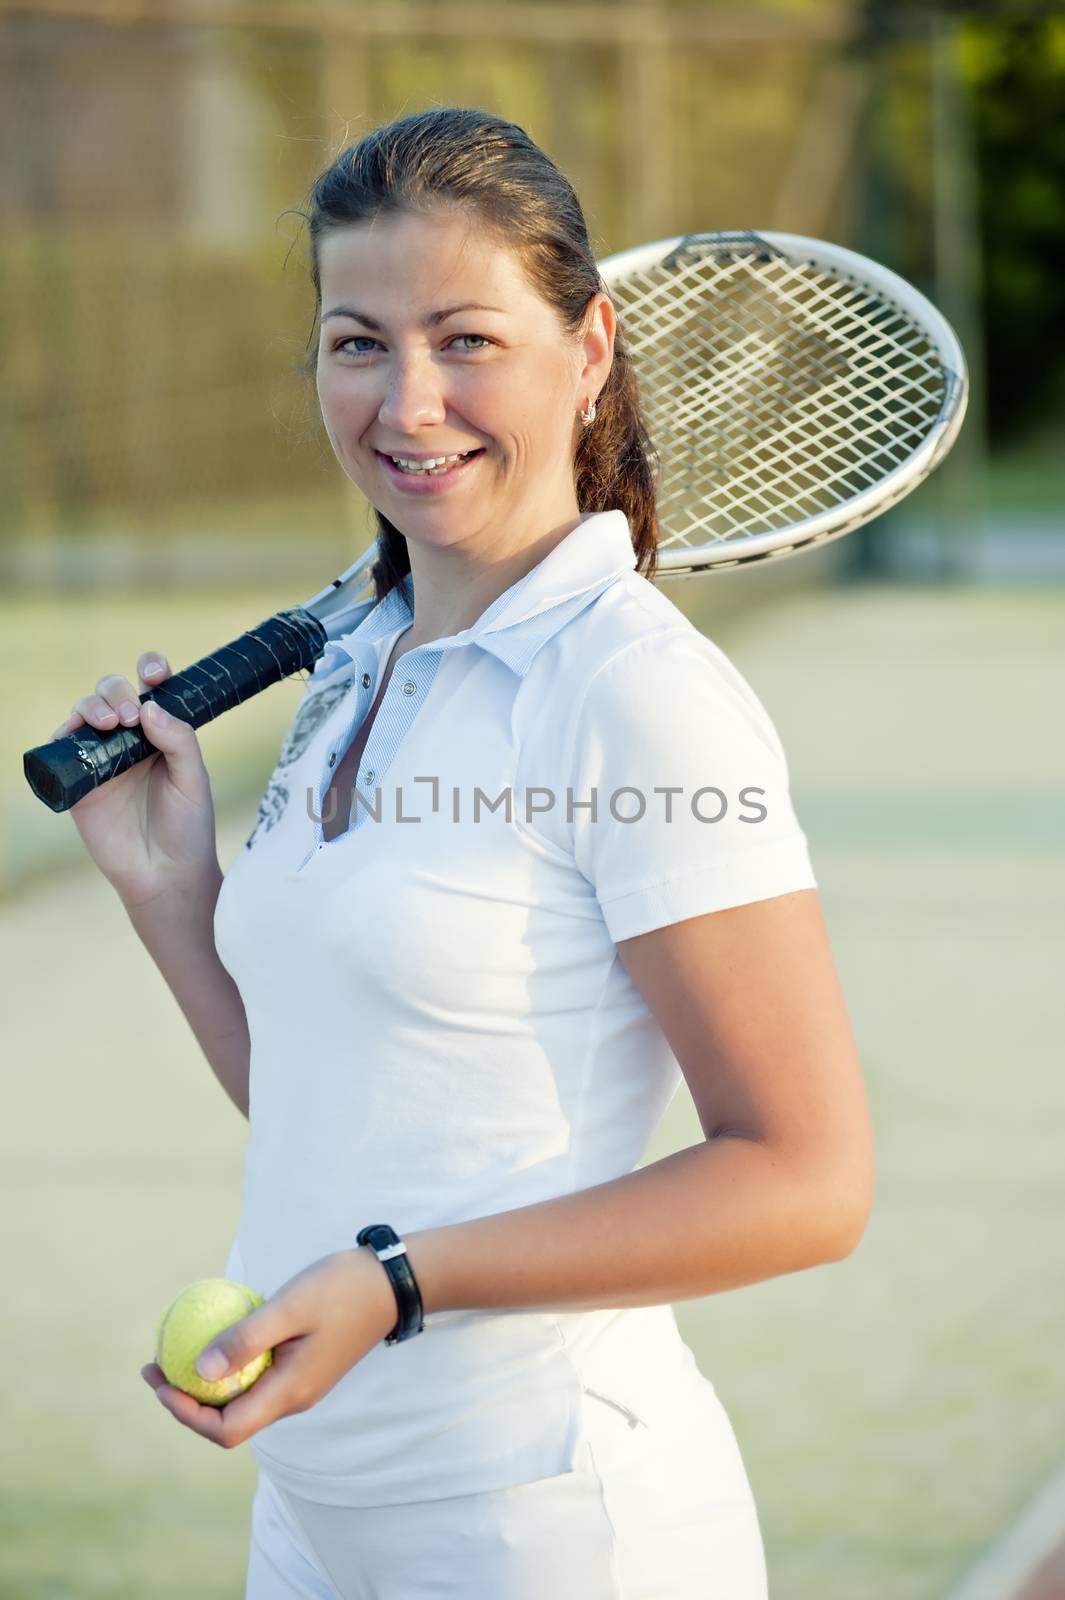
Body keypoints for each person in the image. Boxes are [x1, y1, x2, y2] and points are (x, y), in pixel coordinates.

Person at [55, 107, 875, 1599]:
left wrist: (397, 1283)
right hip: (314, 1519)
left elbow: (807, 1180)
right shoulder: (362, 660)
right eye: (357, 341)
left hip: (549, 1528)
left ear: (592, 349)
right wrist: (166, 883)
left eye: (466, 339)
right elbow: (334, 1099)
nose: (407, 401)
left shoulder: (639, 698)